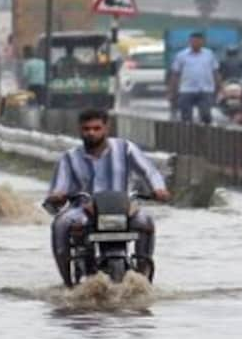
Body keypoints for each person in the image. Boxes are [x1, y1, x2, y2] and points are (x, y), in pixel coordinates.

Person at [45, 109, 172, 286]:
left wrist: (159, 189)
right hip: (84, 210)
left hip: (123, 208)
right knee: (61, 224)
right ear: (80, 130)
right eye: (86, 129)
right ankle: (68, 282)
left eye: (97, 128)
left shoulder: (125, 148)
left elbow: (149, 171)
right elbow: (59, 187)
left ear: (106, 128)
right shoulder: (69, 158)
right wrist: (57, 196)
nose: (91, 133)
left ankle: (143, 276)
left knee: (146, 222)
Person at [168, 32, 221, 124]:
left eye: (198, 41)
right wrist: (172, 92)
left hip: (205, 89)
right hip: (186, 89)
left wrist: (218, 87)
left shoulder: (209, 54)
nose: (195, 43)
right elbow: (175, 74)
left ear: (202, 42)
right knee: (186, 117)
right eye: (193, 41)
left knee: (206, 115)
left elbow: (215, 72)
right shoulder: (181, 55)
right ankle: (187, 136)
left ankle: (205, 136)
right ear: (190, 42)